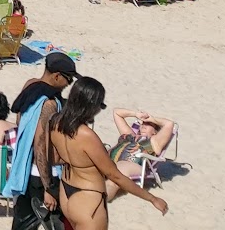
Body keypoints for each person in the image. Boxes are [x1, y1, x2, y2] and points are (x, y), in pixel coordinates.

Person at [48, 78, 168, 227]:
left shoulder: (55, 122)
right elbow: (115, 175)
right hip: (88, 199)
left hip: (65, 192)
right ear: (91, 106)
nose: (99, 110)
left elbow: (53, 158)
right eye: (100, 105)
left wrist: (48, 188)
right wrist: (152, 198)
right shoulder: (87, 136)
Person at [8, 52, 79, 230]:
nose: (68, 84)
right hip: (42, 175)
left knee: (22, 224)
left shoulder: (30, 86)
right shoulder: (50, 103)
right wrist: (48, 188)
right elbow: (41, 145)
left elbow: (19, 120)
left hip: (24, 169)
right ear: (57, 76)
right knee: (57, 224)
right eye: (68, 80)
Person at [108, 107, 177, 186]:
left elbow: (169, 124)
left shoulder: (154, 142)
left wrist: (151, 119)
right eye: (143, 123)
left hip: (129, 166)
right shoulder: (130, 135)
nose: (143, 126)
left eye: (148, 124)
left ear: (155, 132)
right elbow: (116, 112)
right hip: (110, 162)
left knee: (116, 170)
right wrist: (136, 114)